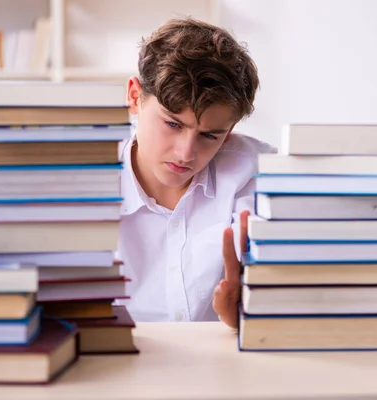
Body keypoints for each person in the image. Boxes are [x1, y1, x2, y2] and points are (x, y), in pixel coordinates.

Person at [115, 17, 276, 329]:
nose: (186, 154)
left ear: (230, 131)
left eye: (209, 136)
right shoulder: (82, 177)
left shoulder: (257, 172)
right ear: (135, 97)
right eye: (173, 124)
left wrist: (243, 318)